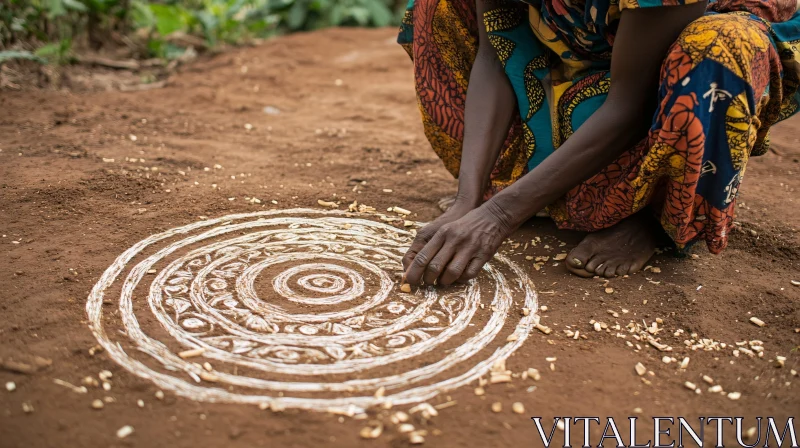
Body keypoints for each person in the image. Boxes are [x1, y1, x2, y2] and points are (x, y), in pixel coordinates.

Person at [397, 0, 800, 285]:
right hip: (583, 46)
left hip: (670, 63)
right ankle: (521, 184)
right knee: (439, 5)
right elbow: (494, 52)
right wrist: (468, 199)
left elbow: (631, 102)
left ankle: (655, 219)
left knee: (722, 45)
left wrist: (500, 216)